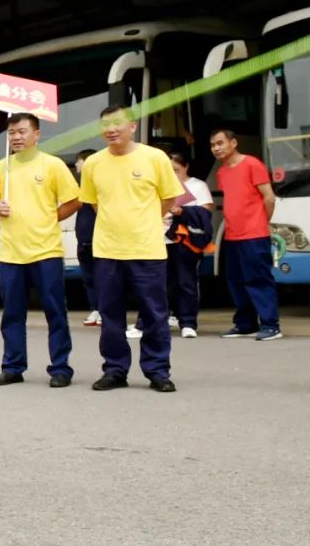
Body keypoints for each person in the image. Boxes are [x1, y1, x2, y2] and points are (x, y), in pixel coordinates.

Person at [79, 106, 183, 393]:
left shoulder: (154, 158)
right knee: (110, 314)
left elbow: (168, 198)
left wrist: (144, 221)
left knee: (154, 314)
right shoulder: (93, 164)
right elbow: (94, 203)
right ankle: (114, 370)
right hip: (107, 251)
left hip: (147, 250)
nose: (111, 130)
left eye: (117, 124)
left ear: (133, 126)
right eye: (105, 125)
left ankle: (158, 371)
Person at [0, 113, 81, 388]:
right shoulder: (2, 168)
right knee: (12, 314)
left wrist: (49, 218)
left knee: (55, 311)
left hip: (46, 250)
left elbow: (74, 201)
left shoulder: (52, 165)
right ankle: (13, 367)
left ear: (37, 134)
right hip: (12, 253)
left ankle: (60, 368)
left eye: (22, 131)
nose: (16, 137)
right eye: (12, 132)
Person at [210, 129, 282, 341]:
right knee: (236, 280)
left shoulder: (252, 164)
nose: (216, 148)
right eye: (213, 145)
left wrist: (261, 222)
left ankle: (271, 325)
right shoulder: (222, 172)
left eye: (220, 143)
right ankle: (246, 323)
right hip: (232, 235)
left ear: (233, 142)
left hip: (254, 234)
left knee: (258, 279)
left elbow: (269, 198)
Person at [165, 152, 213, 338]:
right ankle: (158, 319)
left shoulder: (197, 186)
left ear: (186, 167)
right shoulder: (159, 186)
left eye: (176, 170)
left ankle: (188, 322)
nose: (172, 174)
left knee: (186, 282)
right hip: (159, 239)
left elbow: (206, 211)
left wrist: (182, 211)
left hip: (185, 242)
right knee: (158, 283)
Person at [75, 149, 100, 327]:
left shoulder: (97, 185)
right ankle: (95, 308)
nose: (76, 164)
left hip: (97, 237)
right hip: (83, 238)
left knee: (101, 277)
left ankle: (103, 310)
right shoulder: (80, 185)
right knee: (88, 277)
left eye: (80, 160)